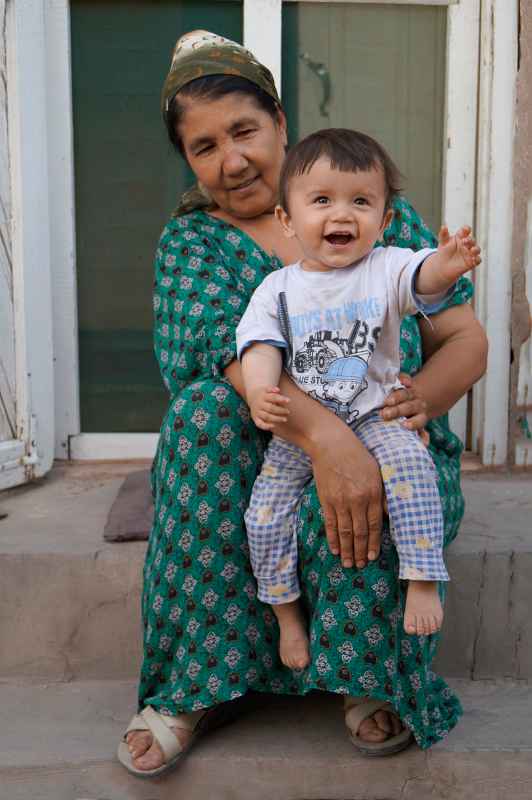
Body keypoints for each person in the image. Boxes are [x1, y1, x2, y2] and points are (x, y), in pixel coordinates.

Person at [117, 30, 488, 777]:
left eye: (246, 131)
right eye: (203, 146)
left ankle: (365, 677)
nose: (232, 160)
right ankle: (195, 685)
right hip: (269, 446)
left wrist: (418, 403)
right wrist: (328, 441)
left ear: (282, 124)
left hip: (386, 430)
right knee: (199, 417)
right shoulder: (192, 243)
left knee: (384, 455)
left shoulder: (371, 208)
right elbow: (230, 356)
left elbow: (466, 339)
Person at [236, 128, 481, 671]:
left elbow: (424, 276)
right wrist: (259, 390)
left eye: (360, 202)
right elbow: (259, 346)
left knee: (412, 469)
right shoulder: (276, 289)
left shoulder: (385, 266)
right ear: (287, 219)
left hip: (375, 413)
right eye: (321, 200)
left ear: (385, 220)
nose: (341, 215)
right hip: (304, 432)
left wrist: (449, 262)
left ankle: (421, 579)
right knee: (264, 515)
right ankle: (286, 614)